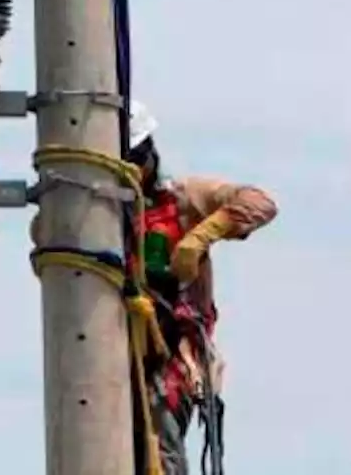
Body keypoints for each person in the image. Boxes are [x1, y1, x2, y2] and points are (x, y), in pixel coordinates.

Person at [126, 100, 277, 475]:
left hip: (173, 349)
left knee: (160, 441)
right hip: (116, 348)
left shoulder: (184, 198)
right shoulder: (104, 211)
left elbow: (260, 203)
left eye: (136, 158)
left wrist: (200, 237)